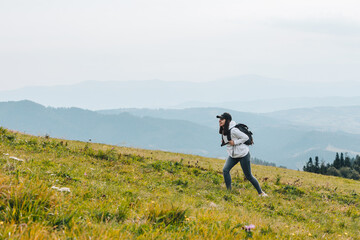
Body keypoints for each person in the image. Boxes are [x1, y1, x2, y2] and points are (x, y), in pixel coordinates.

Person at [217, 112, 268, 197]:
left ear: (227, 120)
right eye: (219, 119)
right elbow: (229, 140)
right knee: (225, 170)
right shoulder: (224, 129)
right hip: (233, 155)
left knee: (248, 176)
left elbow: (246, 137)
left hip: (243, 154)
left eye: (222, 119)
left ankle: (261, 193)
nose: (219, 121)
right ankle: (228, 192)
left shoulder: (234, 130)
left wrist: (235, 142)